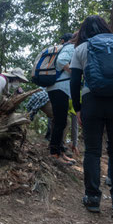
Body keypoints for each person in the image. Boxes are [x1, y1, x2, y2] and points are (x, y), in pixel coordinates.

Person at [70, 15, 113, 213]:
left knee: (92, 150)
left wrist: (78, 108)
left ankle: (92, 198)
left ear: (84, 31)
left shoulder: (82, 48)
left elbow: (75, 81)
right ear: (105, 27)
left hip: (92, 101)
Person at [46, 33, 76, 165]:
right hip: (59, 88)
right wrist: (75, 73)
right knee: (60, 121)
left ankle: (60, 151)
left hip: (58, 87)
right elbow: (61, 61)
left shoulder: (68, 47)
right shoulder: (70, 47)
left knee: (61, 121)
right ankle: (54, 153)